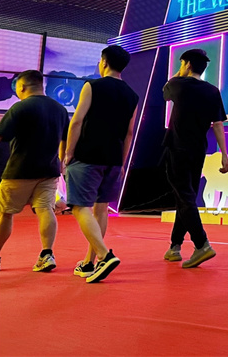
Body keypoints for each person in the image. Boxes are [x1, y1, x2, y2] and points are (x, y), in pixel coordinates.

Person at [64, 45, 138, 283]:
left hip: (87, 155)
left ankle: (105, 256)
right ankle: (89, 262)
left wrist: (68, 153)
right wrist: (122, 162)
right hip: (114, 158)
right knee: (101, 209)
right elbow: (129, 133)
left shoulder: (92, 86)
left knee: (79, 206)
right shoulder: (132, 95)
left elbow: (77, 121)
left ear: (104, 62)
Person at [162, 48, 228, 268]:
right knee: (186, 197)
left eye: (182, 63)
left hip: (177, 147)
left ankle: (202, 244)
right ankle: (175, 246)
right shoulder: (212, 91)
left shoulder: (177, 85)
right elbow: (217, 124)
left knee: (184, 197)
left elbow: (165, 92)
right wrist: (225, 155)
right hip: (198, 150)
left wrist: (180, 71)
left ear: (188, 64)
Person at [0, 70, 68, 273]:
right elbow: (65, 139)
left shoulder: (20, 107)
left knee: (5, 213)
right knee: (45, 210)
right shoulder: (60, 109)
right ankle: (47, 254)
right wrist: (61, 162)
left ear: (22, 87)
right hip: (49, 170)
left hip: (19, 170)